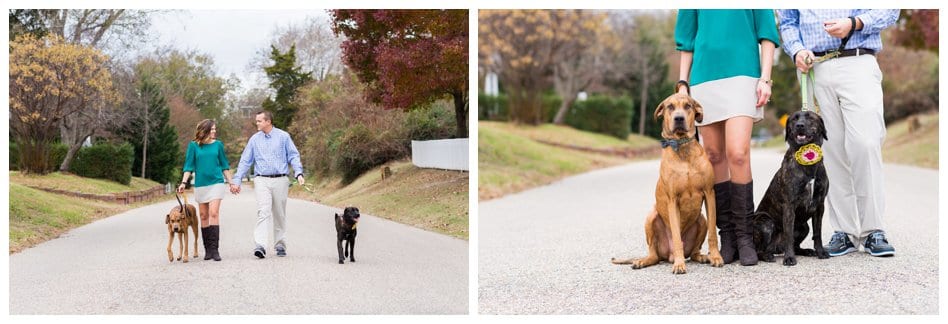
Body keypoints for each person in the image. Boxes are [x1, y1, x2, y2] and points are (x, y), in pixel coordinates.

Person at [777, 9, 898, 257]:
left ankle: (873, 229)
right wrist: (797, 49)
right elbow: (788, 21)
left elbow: (890, 9)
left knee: (865, 143)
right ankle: (844, 230)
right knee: (828, 151)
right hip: (816, 68)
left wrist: (855, 23)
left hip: (858, 60)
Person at [675, 9, 780, 266]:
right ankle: (728, 236)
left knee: (738, 153)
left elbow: (767, 34)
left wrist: (765, 78)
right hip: (704, 77)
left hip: (744, 73)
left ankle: (746, 236)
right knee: (713, 155)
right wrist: (682, 83)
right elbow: (687, 40)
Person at [230, 111, 305, 259]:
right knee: (263, 211)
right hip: (261, 179)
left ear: (268, 121)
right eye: (256, 121)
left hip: (281, 179)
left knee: (279, 213)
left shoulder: (283, 137)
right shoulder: (254, 139)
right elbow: (245, 160)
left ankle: (280, 244)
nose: (256, 123)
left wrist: (299, 173)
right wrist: (237, 180)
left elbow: (293, 155)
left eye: (259, 121)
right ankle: (261, 246)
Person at [179, 119, 233, 262]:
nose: (215, 131)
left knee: (213, 213)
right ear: (204, 130)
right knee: (203, 216)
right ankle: (207, 250)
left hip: (216, 183)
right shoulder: (194, 146)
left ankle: (215, 250)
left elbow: (224, 165)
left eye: (215, 129)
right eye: (212, 129)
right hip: (201, 185)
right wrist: (184, 182)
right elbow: (188, 166)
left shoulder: (218, 145)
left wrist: (231, 182)